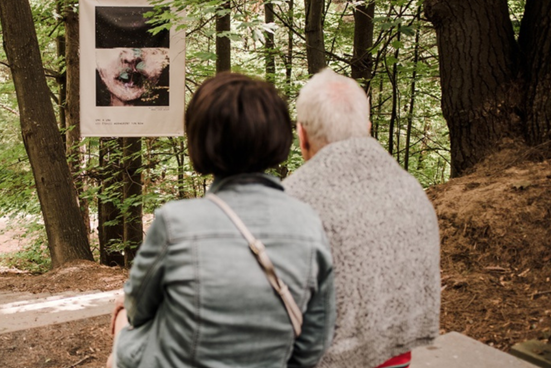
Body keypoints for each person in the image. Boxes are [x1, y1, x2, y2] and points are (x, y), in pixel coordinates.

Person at [106, 72, 335, 368]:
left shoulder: (175, 223)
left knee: (123, 311)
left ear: (199, 139)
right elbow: (312, 346)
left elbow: (138, 311)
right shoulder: (309, 224)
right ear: (280, 136)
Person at [282, 68, 441, 368]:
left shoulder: (291, 201)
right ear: (366, 127)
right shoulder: (411, 189)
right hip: (397, 357)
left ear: (301, 134)